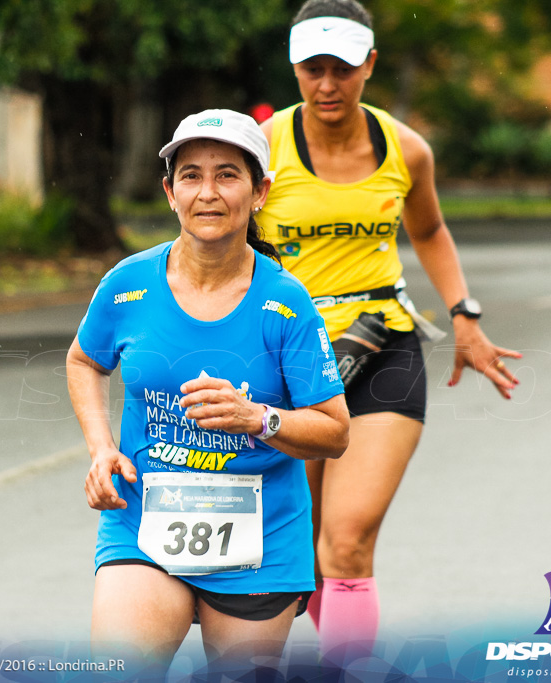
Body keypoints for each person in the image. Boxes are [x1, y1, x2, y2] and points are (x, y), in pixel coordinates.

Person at [256, 0, 521, 658]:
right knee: (303, 550)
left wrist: (464, 314)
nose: (327, 85)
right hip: (288, 357)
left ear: (369, 64)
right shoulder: (260, 151)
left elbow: (427, 229)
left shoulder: (405, 149)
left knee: (346, 541)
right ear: (293, 68)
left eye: (342, 68)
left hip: (382, 346)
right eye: (313, 68)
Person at [66, 108, 350, 678]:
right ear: (170, 193)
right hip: (144, 522)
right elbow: (82, 360)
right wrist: (101, 449)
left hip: (260, 540)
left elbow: (336, 431)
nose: (208, 193)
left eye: (227, 174)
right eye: (191, 175)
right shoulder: (126, 284)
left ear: (260, 190)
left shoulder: (286, 303)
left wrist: (258, 418)